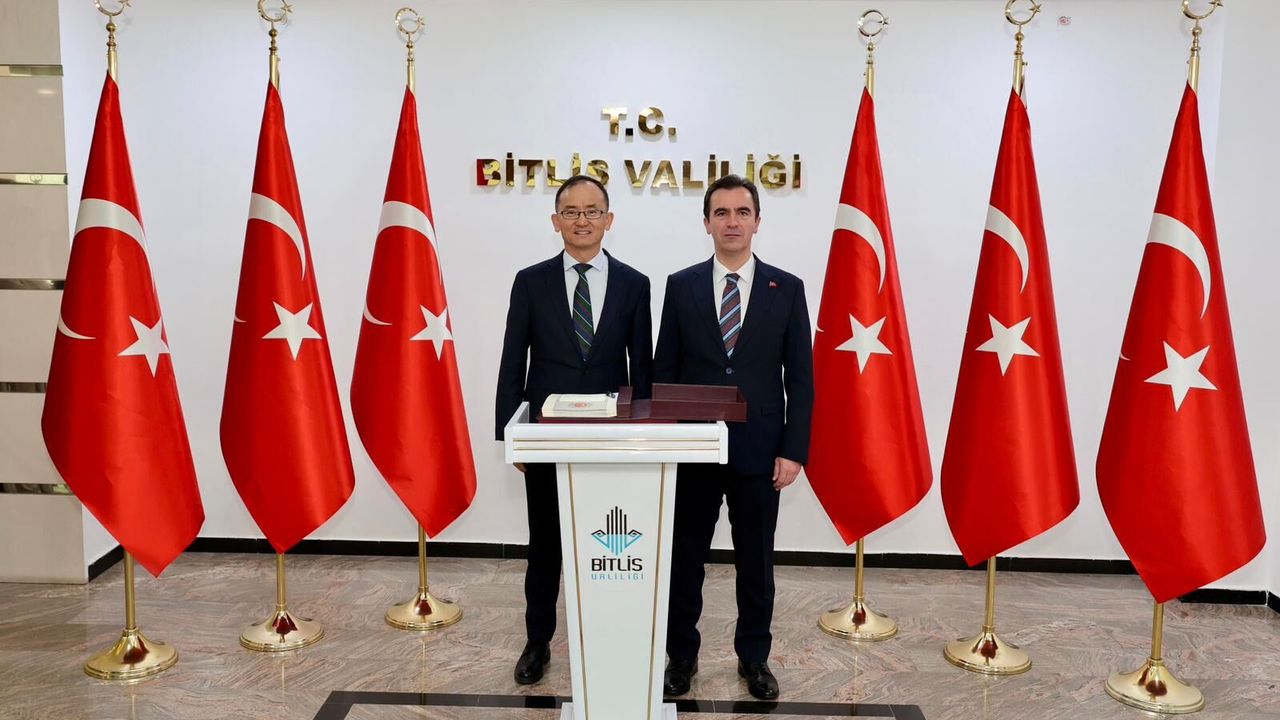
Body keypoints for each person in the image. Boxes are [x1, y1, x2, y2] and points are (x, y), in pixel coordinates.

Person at [655, 175, 813, 700]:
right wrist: (666, 444)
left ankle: (755, 659)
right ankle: (681, 657)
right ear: (706, 223)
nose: (732, 222)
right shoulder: (681, 286)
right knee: (685, 561)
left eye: (742, 212)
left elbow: (801, 379)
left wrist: (793, 450)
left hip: (760, 452)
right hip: (693, 451)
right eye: (721, 213)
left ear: (757, 222)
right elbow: (665, 371)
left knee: (756, 564)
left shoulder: (786, 289)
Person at [494, 174, 653, 685]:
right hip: (546, 436)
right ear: (556, 220)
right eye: (571, 211)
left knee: (610, 541)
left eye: (592, 211)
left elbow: (642, 368)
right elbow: (512, 361)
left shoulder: (634, 284)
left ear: (609, 219)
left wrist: (644, 434)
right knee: (546, 544)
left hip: (612, 439)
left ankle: (612, 633)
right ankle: (537, 641)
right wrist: (511, 435)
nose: (582, 220)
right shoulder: (530, 281)